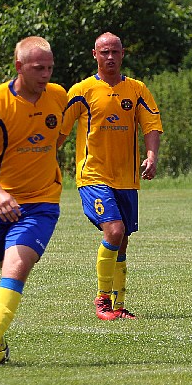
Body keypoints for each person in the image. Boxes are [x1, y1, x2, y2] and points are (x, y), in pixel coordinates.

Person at [0, 37, 68, 369]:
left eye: (50, 67)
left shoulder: (59, 97)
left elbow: (58, 137)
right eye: (39, 68)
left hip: (40, 205)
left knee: (17, 267)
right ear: (19, 66)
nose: (46, 74)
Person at [58, 32, 163, 320]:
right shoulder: (81, 90)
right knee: (114, 231)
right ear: (94, 54)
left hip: (127, 179)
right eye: (104, 52)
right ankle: (102, 301)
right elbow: (60, 133)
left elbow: (151, 125)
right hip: (93, 176)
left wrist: (151, 155)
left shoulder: (138, 90)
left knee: (123, 238)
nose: (110, 57)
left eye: (115, 52)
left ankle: (119, 305)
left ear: (123, 54)